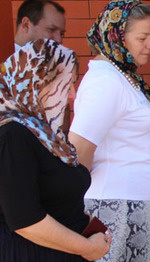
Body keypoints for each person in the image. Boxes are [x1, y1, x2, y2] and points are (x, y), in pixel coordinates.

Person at [68, 0, 150, 261]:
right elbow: (79, 152)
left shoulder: (122, 77)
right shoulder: (104, 82)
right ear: (117, 38)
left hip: (140, 209)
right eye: (143, 37)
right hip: (119, 212)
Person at [0, 39, 110, 261]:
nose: (72, 95)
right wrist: (86, 247)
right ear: (39, 84)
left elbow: (55, 198)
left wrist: (88, 225)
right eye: (66, 84)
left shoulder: (49, 136)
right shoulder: (13, 135)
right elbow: (25, 220)